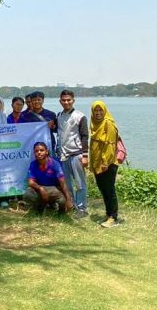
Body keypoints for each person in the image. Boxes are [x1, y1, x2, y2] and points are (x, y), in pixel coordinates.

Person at [56, 89, 89, 217]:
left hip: (76, 154)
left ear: (73, 101)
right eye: (64, 100)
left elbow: (85, 136)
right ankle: (72, 205)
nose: (66, 102)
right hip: (63, 156)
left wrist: (85, 156)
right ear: (60, 101)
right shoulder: (59, 116)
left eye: (69, 100)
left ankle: (82, 208)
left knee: (80, 184)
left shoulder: (80, 116)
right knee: (67, 184)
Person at [90, 100, 121, 228]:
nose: (98, 113)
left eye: (100, 110)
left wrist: (105, 163)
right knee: (103, 189)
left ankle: (113, 217)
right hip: (98, 163)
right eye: (95, 110)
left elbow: (110, 145)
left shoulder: (108, 124)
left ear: (105, 111)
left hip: (107, 164)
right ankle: (109, 214)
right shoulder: (94, 124)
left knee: (109, 190)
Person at [24, 141, 74, 214]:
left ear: (46, 152)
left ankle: (59, 210)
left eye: (41, 150)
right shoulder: (33, 164)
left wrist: (68, 199)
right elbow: (31, 182)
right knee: (28, 194)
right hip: (42, 188)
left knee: (62, 201)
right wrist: (40, 189)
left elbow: (63, 183)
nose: (39, 153)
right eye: (36, 151)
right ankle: (40, 207)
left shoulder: (55, 164)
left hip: (55, 189)